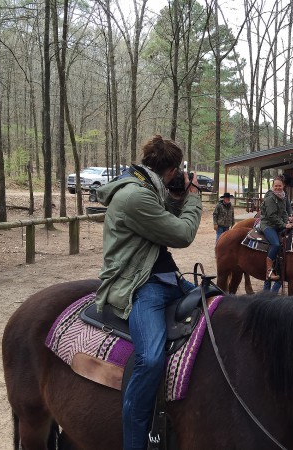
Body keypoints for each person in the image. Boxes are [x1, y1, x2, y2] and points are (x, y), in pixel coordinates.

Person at [94, 135, 202, 450]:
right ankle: (134, 443)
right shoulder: (134, 197)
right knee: (150, 358)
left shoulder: (146, 187)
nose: (181, 175)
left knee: (221, 305)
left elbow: (164, 212)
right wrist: (193, 197)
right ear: (170, 169)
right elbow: (182, 234)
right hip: (140, 285)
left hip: (166, 276)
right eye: (179, 170)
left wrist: (179, 195)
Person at [260, 174, 293, 281]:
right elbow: (272, 216)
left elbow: (284, 212)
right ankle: (269, 270)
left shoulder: (282, 196)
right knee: (275, 243)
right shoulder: (270, 198)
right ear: (273, 186)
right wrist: (284, 225)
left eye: (279, 185)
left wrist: (288, 219)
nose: (278, 187)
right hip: (268, 225)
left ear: (283, 185)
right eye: (276, 186)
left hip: (277, 224)